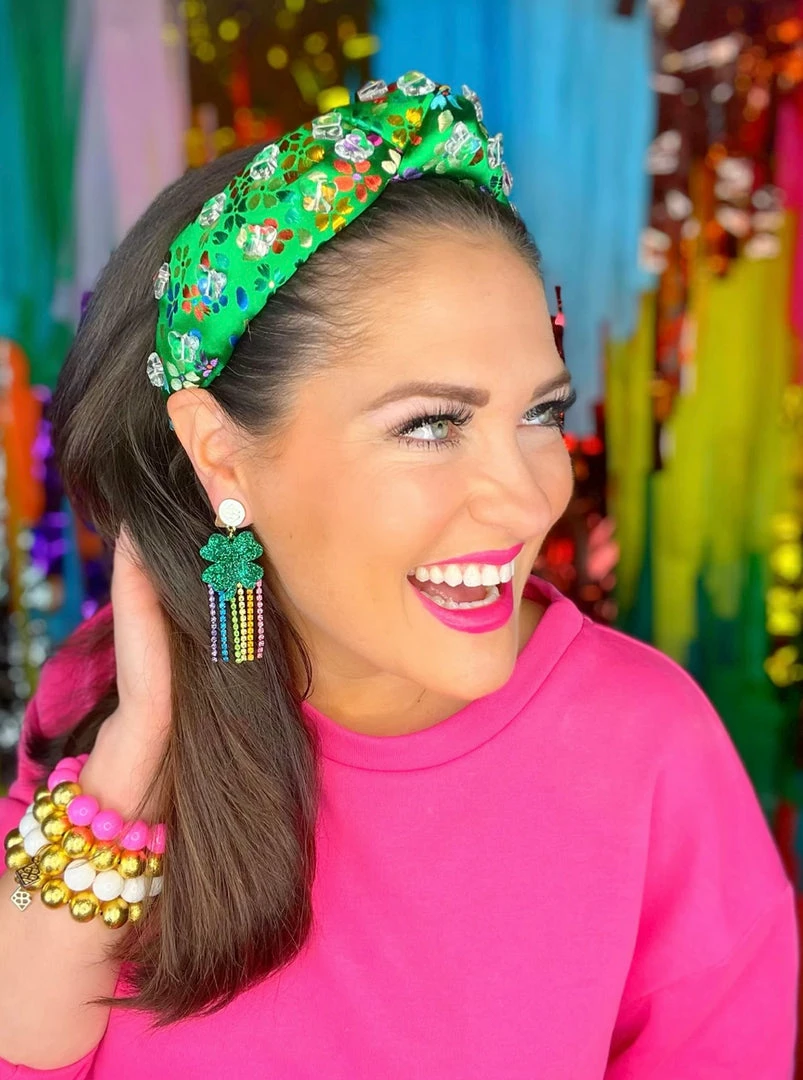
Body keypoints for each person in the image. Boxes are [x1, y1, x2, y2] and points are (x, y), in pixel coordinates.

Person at [0, 73, 797, 1079]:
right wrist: (123, 776)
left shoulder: (646, 747)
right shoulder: (107, 699)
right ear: (219, 452)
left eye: (540, 414)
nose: (526, 499)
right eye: (429, 425)